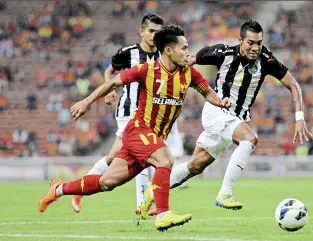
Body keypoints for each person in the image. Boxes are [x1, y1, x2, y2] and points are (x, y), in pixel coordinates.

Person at [38, 25, 232, 231]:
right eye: (183, 48)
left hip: (153, 137)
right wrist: (86, 101)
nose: (188, 53)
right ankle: (163, 214)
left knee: (107, 182)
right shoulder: (146, 70)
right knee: (165, 160)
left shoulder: (189, 73)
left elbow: (207, 92)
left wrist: (221, 102)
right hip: (138, 131)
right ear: (168, 50)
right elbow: (113, 83)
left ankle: (58, 189)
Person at [141, 19, 311, 216]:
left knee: (195, 166)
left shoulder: (267, 60)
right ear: (240, 40)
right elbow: (186, 62)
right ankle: (225, 193)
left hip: (234, 118)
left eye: (259, 43)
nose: (255, 48)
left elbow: (294, 85)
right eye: (250, 43)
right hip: (216, 112)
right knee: (250, 138)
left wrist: (299, 118)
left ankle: (152, 193)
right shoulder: (223, 53)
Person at [70, 13, 178, 216]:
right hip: (129, 112)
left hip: (151, 115)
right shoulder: (127, 53)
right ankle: (141, 205)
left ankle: (80, 190)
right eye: (151, 31)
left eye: (158, 32)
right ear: (142, 32)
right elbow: (109, 72)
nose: (155, 35)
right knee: (144, 153)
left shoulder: (165, 54)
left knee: (112, 157)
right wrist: (110, 90)